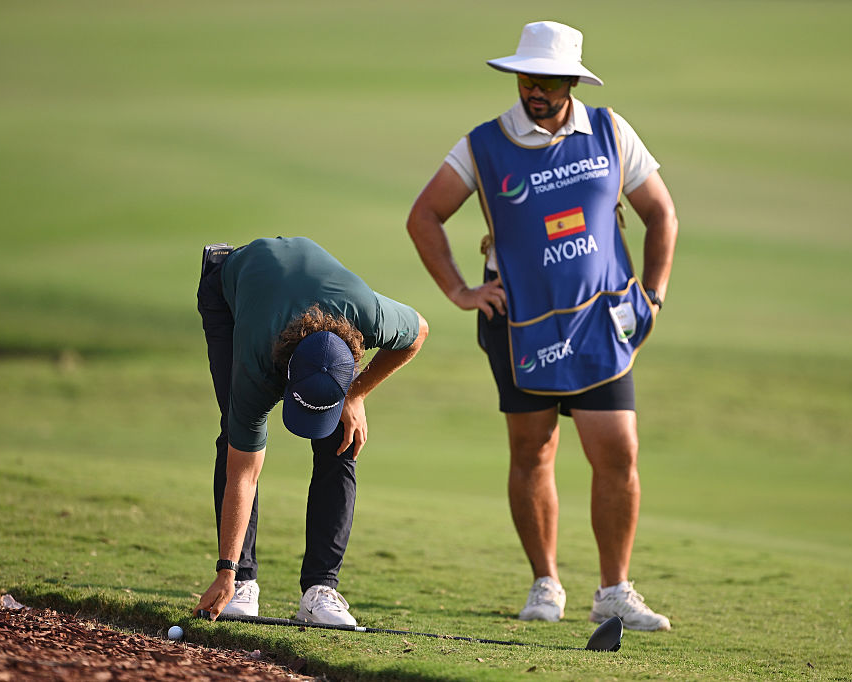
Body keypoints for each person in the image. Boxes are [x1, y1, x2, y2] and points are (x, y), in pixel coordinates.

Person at [406, 21, 677, 631]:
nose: (535, 89)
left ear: (571, 82)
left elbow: (661, 214)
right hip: (517, 324)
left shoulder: (609, 130)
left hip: (600, 324)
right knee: (533, 451)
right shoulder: (484, 143)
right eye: (527, 78)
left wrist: (652, 298)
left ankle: (614, 592)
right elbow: (424, 215)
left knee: (619, 454)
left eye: (548, 80)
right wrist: (459, 290)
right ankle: (545, 583)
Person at [193, 236, 428, 625]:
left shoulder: (369, 314)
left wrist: (355, 393)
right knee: (236, 433)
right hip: (230, 286)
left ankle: (320, 589)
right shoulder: (257, 364)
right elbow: (244, 473)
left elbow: (418, 331)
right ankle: (244, 580)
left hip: (313, 306)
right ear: (283, 377)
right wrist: (226, 570)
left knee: (342, 437)